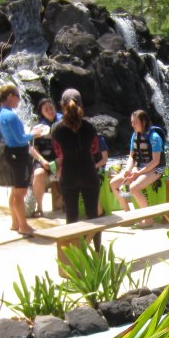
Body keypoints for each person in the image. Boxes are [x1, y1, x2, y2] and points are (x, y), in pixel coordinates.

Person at [0, 83, 46, 236]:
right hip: (19, 154)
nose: (19, 101)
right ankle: (23, 225)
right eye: (17, 97)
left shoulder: (2, 113)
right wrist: (35, 134)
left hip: (11, 152)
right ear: (10, 97)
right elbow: (21, 139)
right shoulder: (10, 115)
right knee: (20, 192)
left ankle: (15, 222)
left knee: (15, 190)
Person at [51, 88, 104, 248]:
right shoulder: (89, 126)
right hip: (88, 171)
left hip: (68, 173)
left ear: (62, 106)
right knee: (93, 216)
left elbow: (58, 151)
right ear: (81, 105)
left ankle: (73, 256)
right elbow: (94, 149)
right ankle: (97, 253)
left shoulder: (57, 129)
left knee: (71, 217)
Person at [109, 110, 165, 224]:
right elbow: (131, 157)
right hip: (139, 168)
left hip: (156, 168)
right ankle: (128, 215)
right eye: (132, 122)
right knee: (114, 183)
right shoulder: (135, 135)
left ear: (143, 122)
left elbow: (155, 161)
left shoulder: (154, 137)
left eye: (135, 122)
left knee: (134, 188)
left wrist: (137, 174)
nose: (133, 125)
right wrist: (128, 170)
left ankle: (148, 219)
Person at [28, 97, 61, 217]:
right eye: (46, 109)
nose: (50, 111)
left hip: (61, 159)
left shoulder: (63, 121)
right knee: (38, 174)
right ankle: (40, 208)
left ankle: (67, 204)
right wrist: (43, 161)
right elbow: (32, 148)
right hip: (43, 159)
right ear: (41, 112)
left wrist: (60, 159)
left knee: (67, 171)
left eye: (51, 108)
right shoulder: (37, 127)